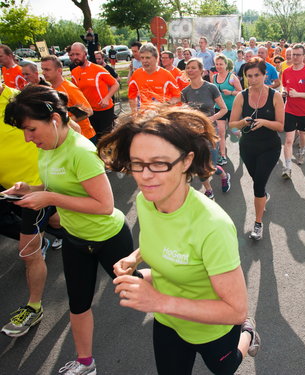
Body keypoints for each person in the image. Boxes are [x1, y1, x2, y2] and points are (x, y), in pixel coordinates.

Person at [96, 104, 260, 375]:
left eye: (159, 163)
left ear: (186, 161)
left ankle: (248, 336)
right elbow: (167, 239)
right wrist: (133, 257)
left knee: (227, 367)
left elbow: (235, 311)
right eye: (137, 163)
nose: (145, 175)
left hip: (211, 329)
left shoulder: (213, 226)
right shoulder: (146, 201)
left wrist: (156, 301)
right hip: (168, 321)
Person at [3, 85, 136, 374]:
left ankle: (189, 305)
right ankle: (86, 363)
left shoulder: (81, 152)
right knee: (78, 304)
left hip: (109, 238)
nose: (27, 138)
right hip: (76, 240)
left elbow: (104, 205)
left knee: (136, 291)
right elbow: (55, 187)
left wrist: (49, 199)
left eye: (31, 129)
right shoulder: (46, 147)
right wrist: (31, 189)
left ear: (53, 120)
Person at [0, 84, 54, 338]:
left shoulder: (22, 98)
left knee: (29, 251)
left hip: (42, 187)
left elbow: (69, 127)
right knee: (61, 227)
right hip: (17, 192)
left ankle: (34, 307)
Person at [230, 57, 284, 240]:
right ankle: (263, 196)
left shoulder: (275, 96)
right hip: (248, 147)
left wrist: (264, 122)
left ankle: (258, 223)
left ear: (265, 75)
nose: (252, 79)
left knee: (258, 185)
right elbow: (232, 125)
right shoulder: (241, 96)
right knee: (257, 181)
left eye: (256, 75)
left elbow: (280, 126)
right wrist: (242, 122)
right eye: (249, 76)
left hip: (270, 147)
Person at [182, 58, 231, 198]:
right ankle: (208, 189)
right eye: (188, 68)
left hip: (210, 132)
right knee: (199, 165)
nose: (190, 70)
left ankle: (224, 175)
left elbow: (223, 109)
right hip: (194, 134)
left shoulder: (211, 88)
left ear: (201, 71)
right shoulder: (185, 91)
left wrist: (210, 119)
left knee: (211, 166)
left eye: (193, 67)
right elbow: (186, 112)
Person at [281, 44, 305, 178]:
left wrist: (298, 94)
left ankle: (302, 151)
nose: (295, 57)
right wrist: (285, 93)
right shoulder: (286, 72)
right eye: (293, 54)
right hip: (289, 110)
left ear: (303, 56)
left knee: (303, 135)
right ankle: (287, 168)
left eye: (298, 55)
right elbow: (285, 87)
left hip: (304, 111)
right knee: (289, 140)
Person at [41, 55, 96, 142]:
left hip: (84, 137)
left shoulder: (69, 88)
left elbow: (88, 111)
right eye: (42, 69)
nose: (43, 73)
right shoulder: (51, 89)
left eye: (47, 69)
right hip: (68, 137)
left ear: (59, 71)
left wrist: (65, 121)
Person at [70, 42, 119, 137]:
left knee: (106, 138)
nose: (75, 57)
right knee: (94, 138)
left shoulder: (98, 69)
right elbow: (77, 91)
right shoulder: (74, 72)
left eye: (77, 54)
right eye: (72, 54)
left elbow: (115, 84)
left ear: (85, 54)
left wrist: (106, 98)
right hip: (89, 111)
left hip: (104, 110)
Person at [128, 43, 181, 112]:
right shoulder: (136, 74)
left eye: (148, 58)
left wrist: (164, 105)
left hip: (162, 116)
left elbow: (177, 97)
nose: (144, 61)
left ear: (156, 58)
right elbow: (132, 97)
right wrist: (134, 113)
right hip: (144, 117)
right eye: (142, 58)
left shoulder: (166, 74)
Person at [212, 54, 242, 166]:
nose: (219, 66)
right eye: (217, 64)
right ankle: (223, 155)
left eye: (221, 64)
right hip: (219, 108)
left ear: (226, 64)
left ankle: (244, 140)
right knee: (221, 132)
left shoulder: (232, 77)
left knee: (234, 130)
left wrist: (230, 93)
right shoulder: (214, 77)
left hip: (231, 108)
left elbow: (240, 91)